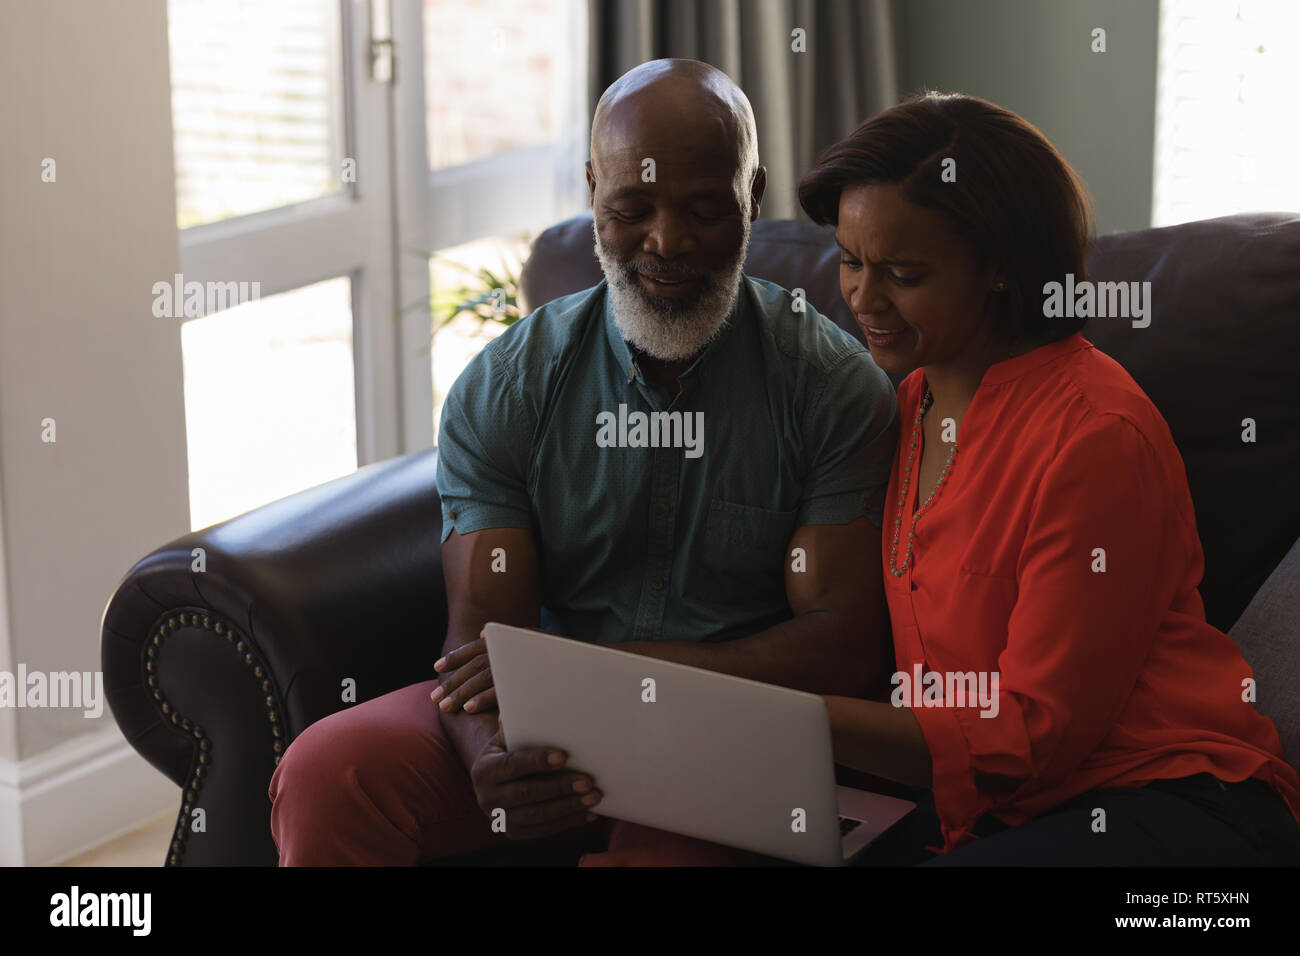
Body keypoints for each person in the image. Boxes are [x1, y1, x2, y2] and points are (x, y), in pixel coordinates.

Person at [266, 58, 899, 866]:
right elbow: (482, 640)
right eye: (631, 208)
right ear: (592, 187)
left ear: (754, 194)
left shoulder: (831, 386)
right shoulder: (509, 386)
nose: (667, 244)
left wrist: (615, 677)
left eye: (705, 209)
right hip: (541, 713)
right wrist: (487, 755)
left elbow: (841, 646)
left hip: (729, 723)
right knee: (332, 771)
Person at [798, 92, 1300, 865]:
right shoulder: (900, 406)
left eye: (904, 272)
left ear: (999, 267)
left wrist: (792, 719)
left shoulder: (1095, 436)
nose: (863, 298)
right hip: (999, 814)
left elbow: (1032, 733)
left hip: (1175, 811)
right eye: (850, 260)